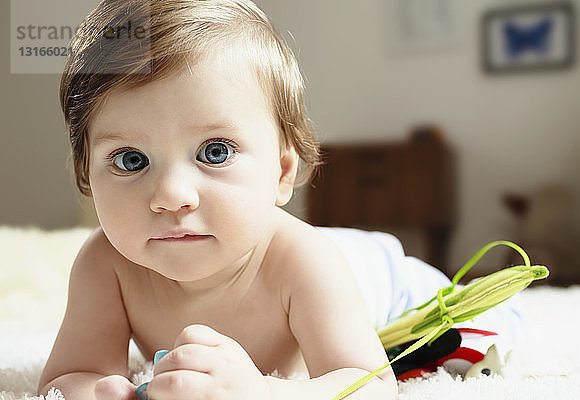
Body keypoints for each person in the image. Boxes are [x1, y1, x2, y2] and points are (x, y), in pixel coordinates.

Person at [38, 1, 524, 399]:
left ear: (282, 172)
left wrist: (259, 393)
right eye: (130, 160)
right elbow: (68, 377)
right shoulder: (105, 264)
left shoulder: (303, 259)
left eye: (215, 151)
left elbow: (369, 382)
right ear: (87, 174)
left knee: (484, 343)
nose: (171, 196)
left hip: (389, 282)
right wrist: (106, 393)